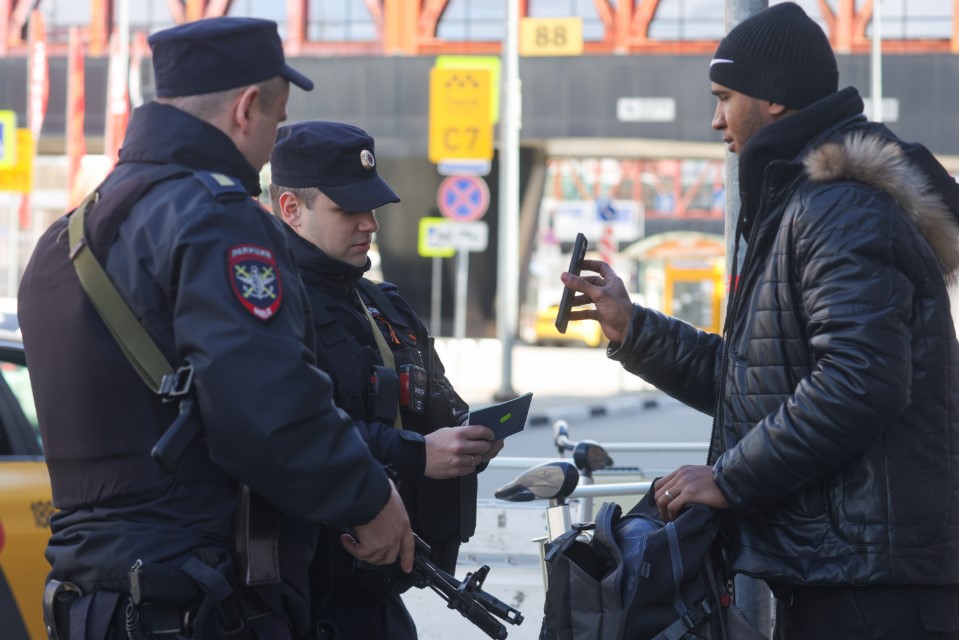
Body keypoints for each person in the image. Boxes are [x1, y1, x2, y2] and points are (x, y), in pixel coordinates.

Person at [561, 4, 959, 639]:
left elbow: (862, 380)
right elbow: (757, 381)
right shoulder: (807, 201)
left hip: (872, 588)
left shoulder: (840, 207)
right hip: (847, 571)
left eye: (724, 97)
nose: (716, 119)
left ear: (773, 98)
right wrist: (632, 327)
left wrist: (728, 479)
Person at [18, 18, 413, 640]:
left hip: (88, 596)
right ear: (247, 107)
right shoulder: (217, 219)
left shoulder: (65, 238)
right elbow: (270, 407)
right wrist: (370, 499)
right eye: (278, 119)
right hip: (196, 596)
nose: (274, 140)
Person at [267, 120, 504, 639]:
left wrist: (466, 441)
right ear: (291, 209)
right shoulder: (269, 309)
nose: (369, 224)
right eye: (348, 210)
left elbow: (437, 404)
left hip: (379, 593)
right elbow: (294, 436)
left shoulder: (381, 303)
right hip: (304, 593)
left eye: (372, 207)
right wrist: (418, 454)